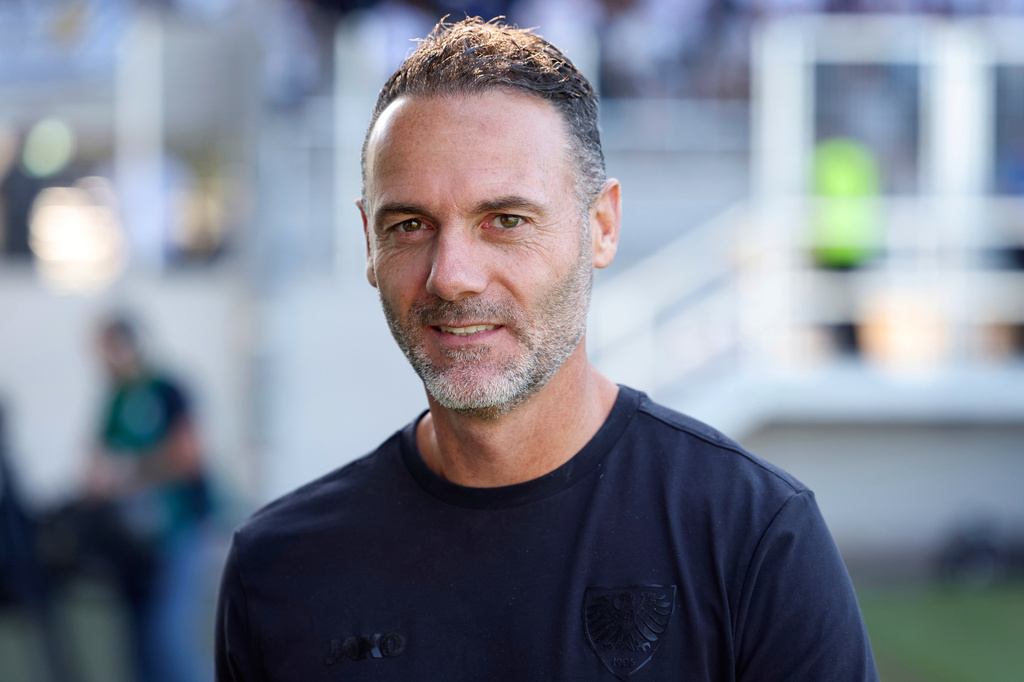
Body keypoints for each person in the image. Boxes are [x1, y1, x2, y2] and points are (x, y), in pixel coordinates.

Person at [216, 17, 879, 681]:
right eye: (411, 225)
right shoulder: (279, 570)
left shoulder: (754, 539)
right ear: (368, 241)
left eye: (505, 220)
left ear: (602, 226)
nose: (452, 274)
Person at [86, 315, 212, 682]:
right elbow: (95, 467)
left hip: (180, 531)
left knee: (169, 640)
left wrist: (130, 472)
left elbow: (188, 456)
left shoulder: (166, 389)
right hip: (133, 546)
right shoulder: (114, 399)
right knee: (137, 647)